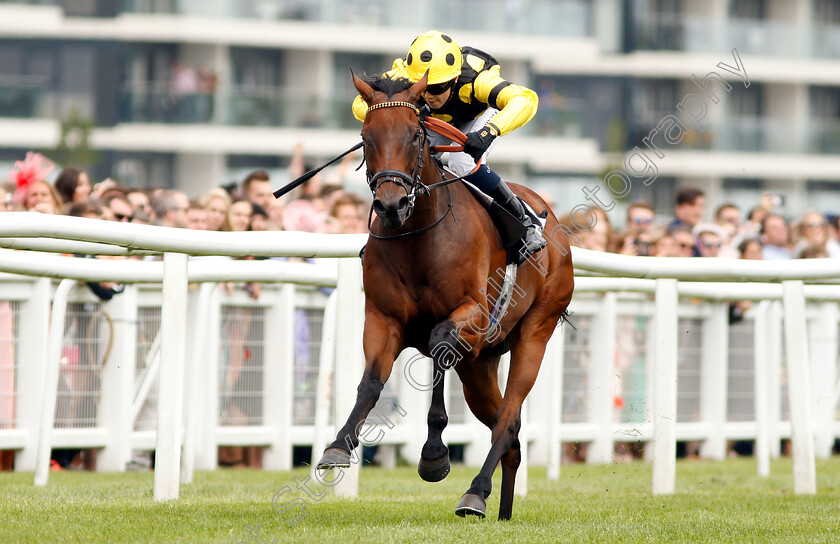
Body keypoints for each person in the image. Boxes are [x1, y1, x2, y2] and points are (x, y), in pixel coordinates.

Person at [351, 29, 545, 257]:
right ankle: (385, 231)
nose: (429, 95)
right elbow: (359, 104)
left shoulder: (478, 79)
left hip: (477, 118)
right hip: (436, 121)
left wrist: (489, 132)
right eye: (422, 87)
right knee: (408, 160)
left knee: (462, 163)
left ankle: (525, 220)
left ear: (453, 79)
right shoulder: (402, 74)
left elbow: (525, 99)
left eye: (437, 88)